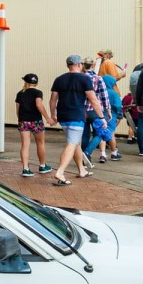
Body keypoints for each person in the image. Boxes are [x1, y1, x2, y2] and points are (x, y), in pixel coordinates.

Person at [47, 54, 105, 186]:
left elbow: (52, 100)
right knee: (72, 144)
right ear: (79, 65)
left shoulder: (59, 79)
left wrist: (53, 115)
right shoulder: (84, 79)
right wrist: (101, 117)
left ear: (68, 65)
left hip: (63, 116)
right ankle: (60, 172)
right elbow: (93, 99)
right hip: (76, 116)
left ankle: (82, 170)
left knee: (75, 143)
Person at [15, 73, 53, 177]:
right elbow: (39, 105)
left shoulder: (20, 94)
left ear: (25, 82)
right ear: (36, 83)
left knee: (25, 145)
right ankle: (42, 166)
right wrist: (47, 118)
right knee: (40, 143)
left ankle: (26, 169)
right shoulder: (38, 92)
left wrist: (21, 118)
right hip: (36, 121)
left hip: (23, 121)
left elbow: (18, 110)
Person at [86, 74, 123, 164]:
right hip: (110, 117)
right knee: (104, 134)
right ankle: (87, 151)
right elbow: (118, 106)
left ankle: (102, 154)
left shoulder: (98, 90)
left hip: (97, 115)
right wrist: (119, 114)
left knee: (101, 133)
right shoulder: (114, 93)